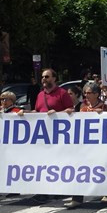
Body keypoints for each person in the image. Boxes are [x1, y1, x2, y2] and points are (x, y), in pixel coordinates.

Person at [25, 69, 74, 203]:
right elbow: (38, 111)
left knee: (57, 163)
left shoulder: (62, 93)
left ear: (54, 78)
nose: (44, 79)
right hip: (42, 136)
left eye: (47, 77)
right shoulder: (40, 95)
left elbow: (71, 111)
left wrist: (59, 113)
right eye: (42, 77)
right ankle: (44, 191)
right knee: (43, 163)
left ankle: (58, 190)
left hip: (59, 136)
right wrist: (26, 113)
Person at [65, 83, 107, 209]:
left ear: (96, 94)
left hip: (99, 144)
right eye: (85, 92)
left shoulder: (105, 107)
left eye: (89, 93)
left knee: (102, 168)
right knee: (80, 169)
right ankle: (77, 198)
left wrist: (104, 115)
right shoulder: (82, 107)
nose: (86, 95)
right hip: (84, 145)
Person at [0, 91, 23, 202]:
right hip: (1, 144)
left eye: (6, 99)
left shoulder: (16, 111)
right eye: (2, 99)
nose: (3, 101)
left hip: (13, 145)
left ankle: (13, 189)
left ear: (12, 101)